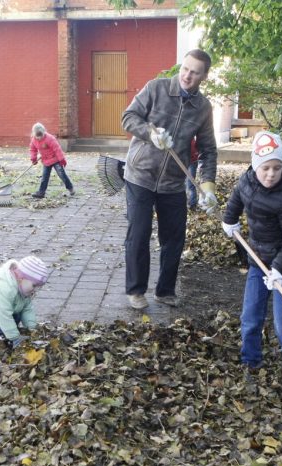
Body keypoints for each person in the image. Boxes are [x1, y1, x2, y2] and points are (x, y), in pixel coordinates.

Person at [220, 131, 282, 403]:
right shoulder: (248, 181)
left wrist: (279, 269)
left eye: (277, 168)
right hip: (258, 261)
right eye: (266, 167)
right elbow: (238, 196)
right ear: (255, 165)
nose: (271, 174)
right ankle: (251, 360)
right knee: (250, 315)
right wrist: (230, 220)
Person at [121, 49, 217, 310]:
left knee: (174, 238)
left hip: (174, 182)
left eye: (195, 72)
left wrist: (208, 186)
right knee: (138, 233)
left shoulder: (203, 108)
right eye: (185, 68)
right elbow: (128, 118)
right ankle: (136, 290)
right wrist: (149, 134)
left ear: (204, 76)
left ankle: (165, 291)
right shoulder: (156, 88)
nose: (187, 75)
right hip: (140, 174)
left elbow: (208, 149)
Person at [29, 123, 74, 199]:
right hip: (46, 161)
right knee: (44, 177)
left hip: (56, 159)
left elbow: (57, 149)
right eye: (37, 136)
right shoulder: (34, 140)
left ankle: (70, 188)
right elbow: (33, 149)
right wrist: (33, 158)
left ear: (44, 132)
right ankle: (41, 192)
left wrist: (62, 159)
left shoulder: (50, 138)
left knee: (62, 174)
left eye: (41, 136)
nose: (39, 138)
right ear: (34, 134)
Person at [186, 137, 201, 210]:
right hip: (184, 160)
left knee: (190, 183)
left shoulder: (190, 137)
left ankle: (192, 204)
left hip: (192, 161)